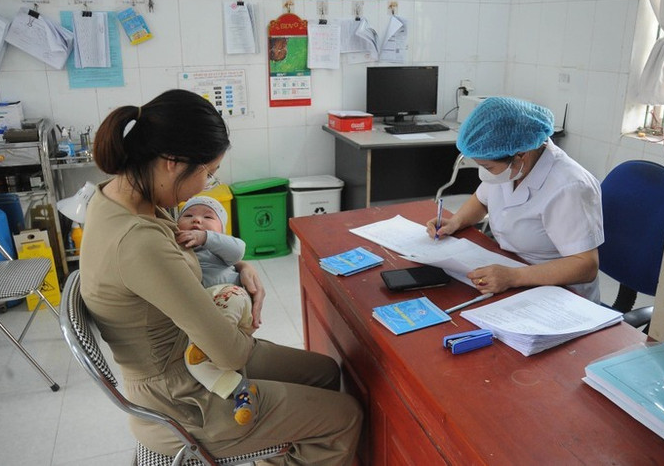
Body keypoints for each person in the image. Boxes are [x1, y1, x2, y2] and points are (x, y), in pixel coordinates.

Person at [79, 89, 362, 464]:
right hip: (182, 395)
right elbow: (229, 352)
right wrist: (238, 309)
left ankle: (279, 450)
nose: (206, 185)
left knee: (325, 372)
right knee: (344, 417)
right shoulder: (138, 240)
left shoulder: (124, 199)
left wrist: (242, 269)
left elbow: (182, 269)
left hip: (191, 353)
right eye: (208, 173)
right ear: (172, 162)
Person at [427, 96, 604, 303]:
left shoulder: (570, 187)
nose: (485, 174)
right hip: (511, 270)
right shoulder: (512, 167)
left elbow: (585, 266)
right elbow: (482, 200)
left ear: (521, 155)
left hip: (560, 294)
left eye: (488, 167)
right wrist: (457, 220)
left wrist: (513, 277)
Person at [175, 195, 258, 424]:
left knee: (228, 299)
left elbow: (238, 251)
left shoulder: (219, 248)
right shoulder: (177, 248)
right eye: (188, 215)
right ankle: (240, 390)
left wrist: (206, 238)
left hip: (234, 299)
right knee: (193, 362)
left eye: (207, 217)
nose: (197, 221)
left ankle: (215, 343)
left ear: (221, 228)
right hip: (209, 315)